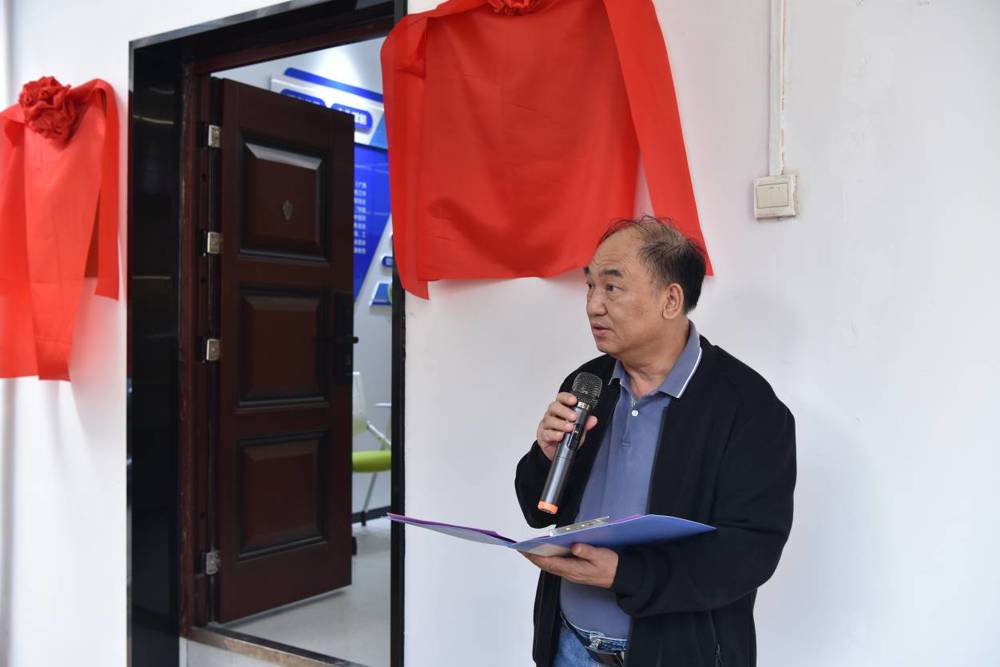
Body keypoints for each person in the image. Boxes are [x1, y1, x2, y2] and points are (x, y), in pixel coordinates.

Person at [515, 216, 796, 667]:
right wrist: (546, 459)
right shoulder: (589, 383)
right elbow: (539, 512)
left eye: (612, 287)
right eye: (590, 287)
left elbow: (751, 551)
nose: (593, 305)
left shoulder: (747, 406)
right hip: (569, 645)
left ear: (671, 299)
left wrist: (626, 575)